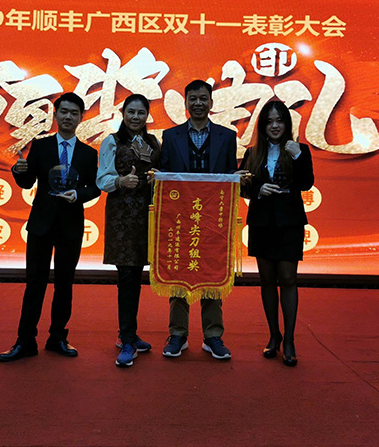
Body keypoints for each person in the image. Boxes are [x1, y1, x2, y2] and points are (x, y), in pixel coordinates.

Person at [0, 92, 101, 362]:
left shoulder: (89, 153)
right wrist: (19, 170)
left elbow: (94, 188)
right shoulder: (41, 146)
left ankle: (58, 337)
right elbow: (28, 182)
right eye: (64, 112)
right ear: (55, 115)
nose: (68, 117)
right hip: (41, 224)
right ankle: (25, 341)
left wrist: (78, 194)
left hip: (71, 225)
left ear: (81, 118)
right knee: (35, 283)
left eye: (74, 113)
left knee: (64, 284)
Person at [159, 80, 238, 360]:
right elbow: (165, 176)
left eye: (203, 98)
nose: (198, 103)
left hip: (214, 219)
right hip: (180, 219)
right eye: (193, 99)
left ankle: (213, 335)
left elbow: (230, 175)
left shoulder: (227, 137)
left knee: (212, 274)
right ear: (185, 103)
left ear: (211, 102)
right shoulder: (170, 136)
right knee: (179, 273)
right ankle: (177, 334)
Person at [240, 99, 314, 366]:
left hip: (289, 223)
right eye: (269, 121)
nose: (274, 126)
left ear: (287, 124)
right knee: (267, 280)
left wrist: (297, 157)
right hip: (262, 223)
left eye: (279, 121)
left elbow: (306, 183)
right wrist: (258, 189)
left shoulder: (299, 150)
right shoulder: (253, 153)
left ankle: (290, 340)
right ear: (262, 126)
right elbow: (242, 185)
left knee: (289, 279)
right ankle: (274, 336)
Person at [97, 94, 161, 368]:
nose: (136, 117)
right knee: (126, 277)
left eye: (141, 113)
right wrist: (121, 181)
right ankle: (127, 339)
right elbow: (102, 179)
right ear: (123, 113)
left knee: (137, 277)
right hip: (122, 218)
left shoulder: (153, 143)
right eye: (131, 112)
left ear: (147, 115)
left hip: (148, 217)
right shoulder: (112, 141)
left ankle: (129, 334)